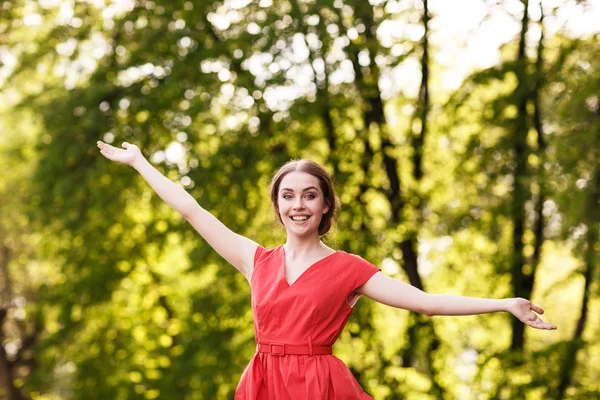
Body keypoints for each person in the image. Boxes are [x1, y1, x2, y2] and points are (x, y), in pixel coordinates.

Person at [97, 141, 557, 399]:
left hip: (319, 386)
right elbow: (191, 210)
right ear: (278, 206)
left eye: (309, 195)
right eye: (289, 195)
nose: (298, 204)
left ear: (325, 206)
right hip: (262, 383)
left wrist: (504, 303)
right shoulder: (255, 260)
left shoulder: (347, 270)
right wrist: (140, 163)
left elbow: (426, 303)